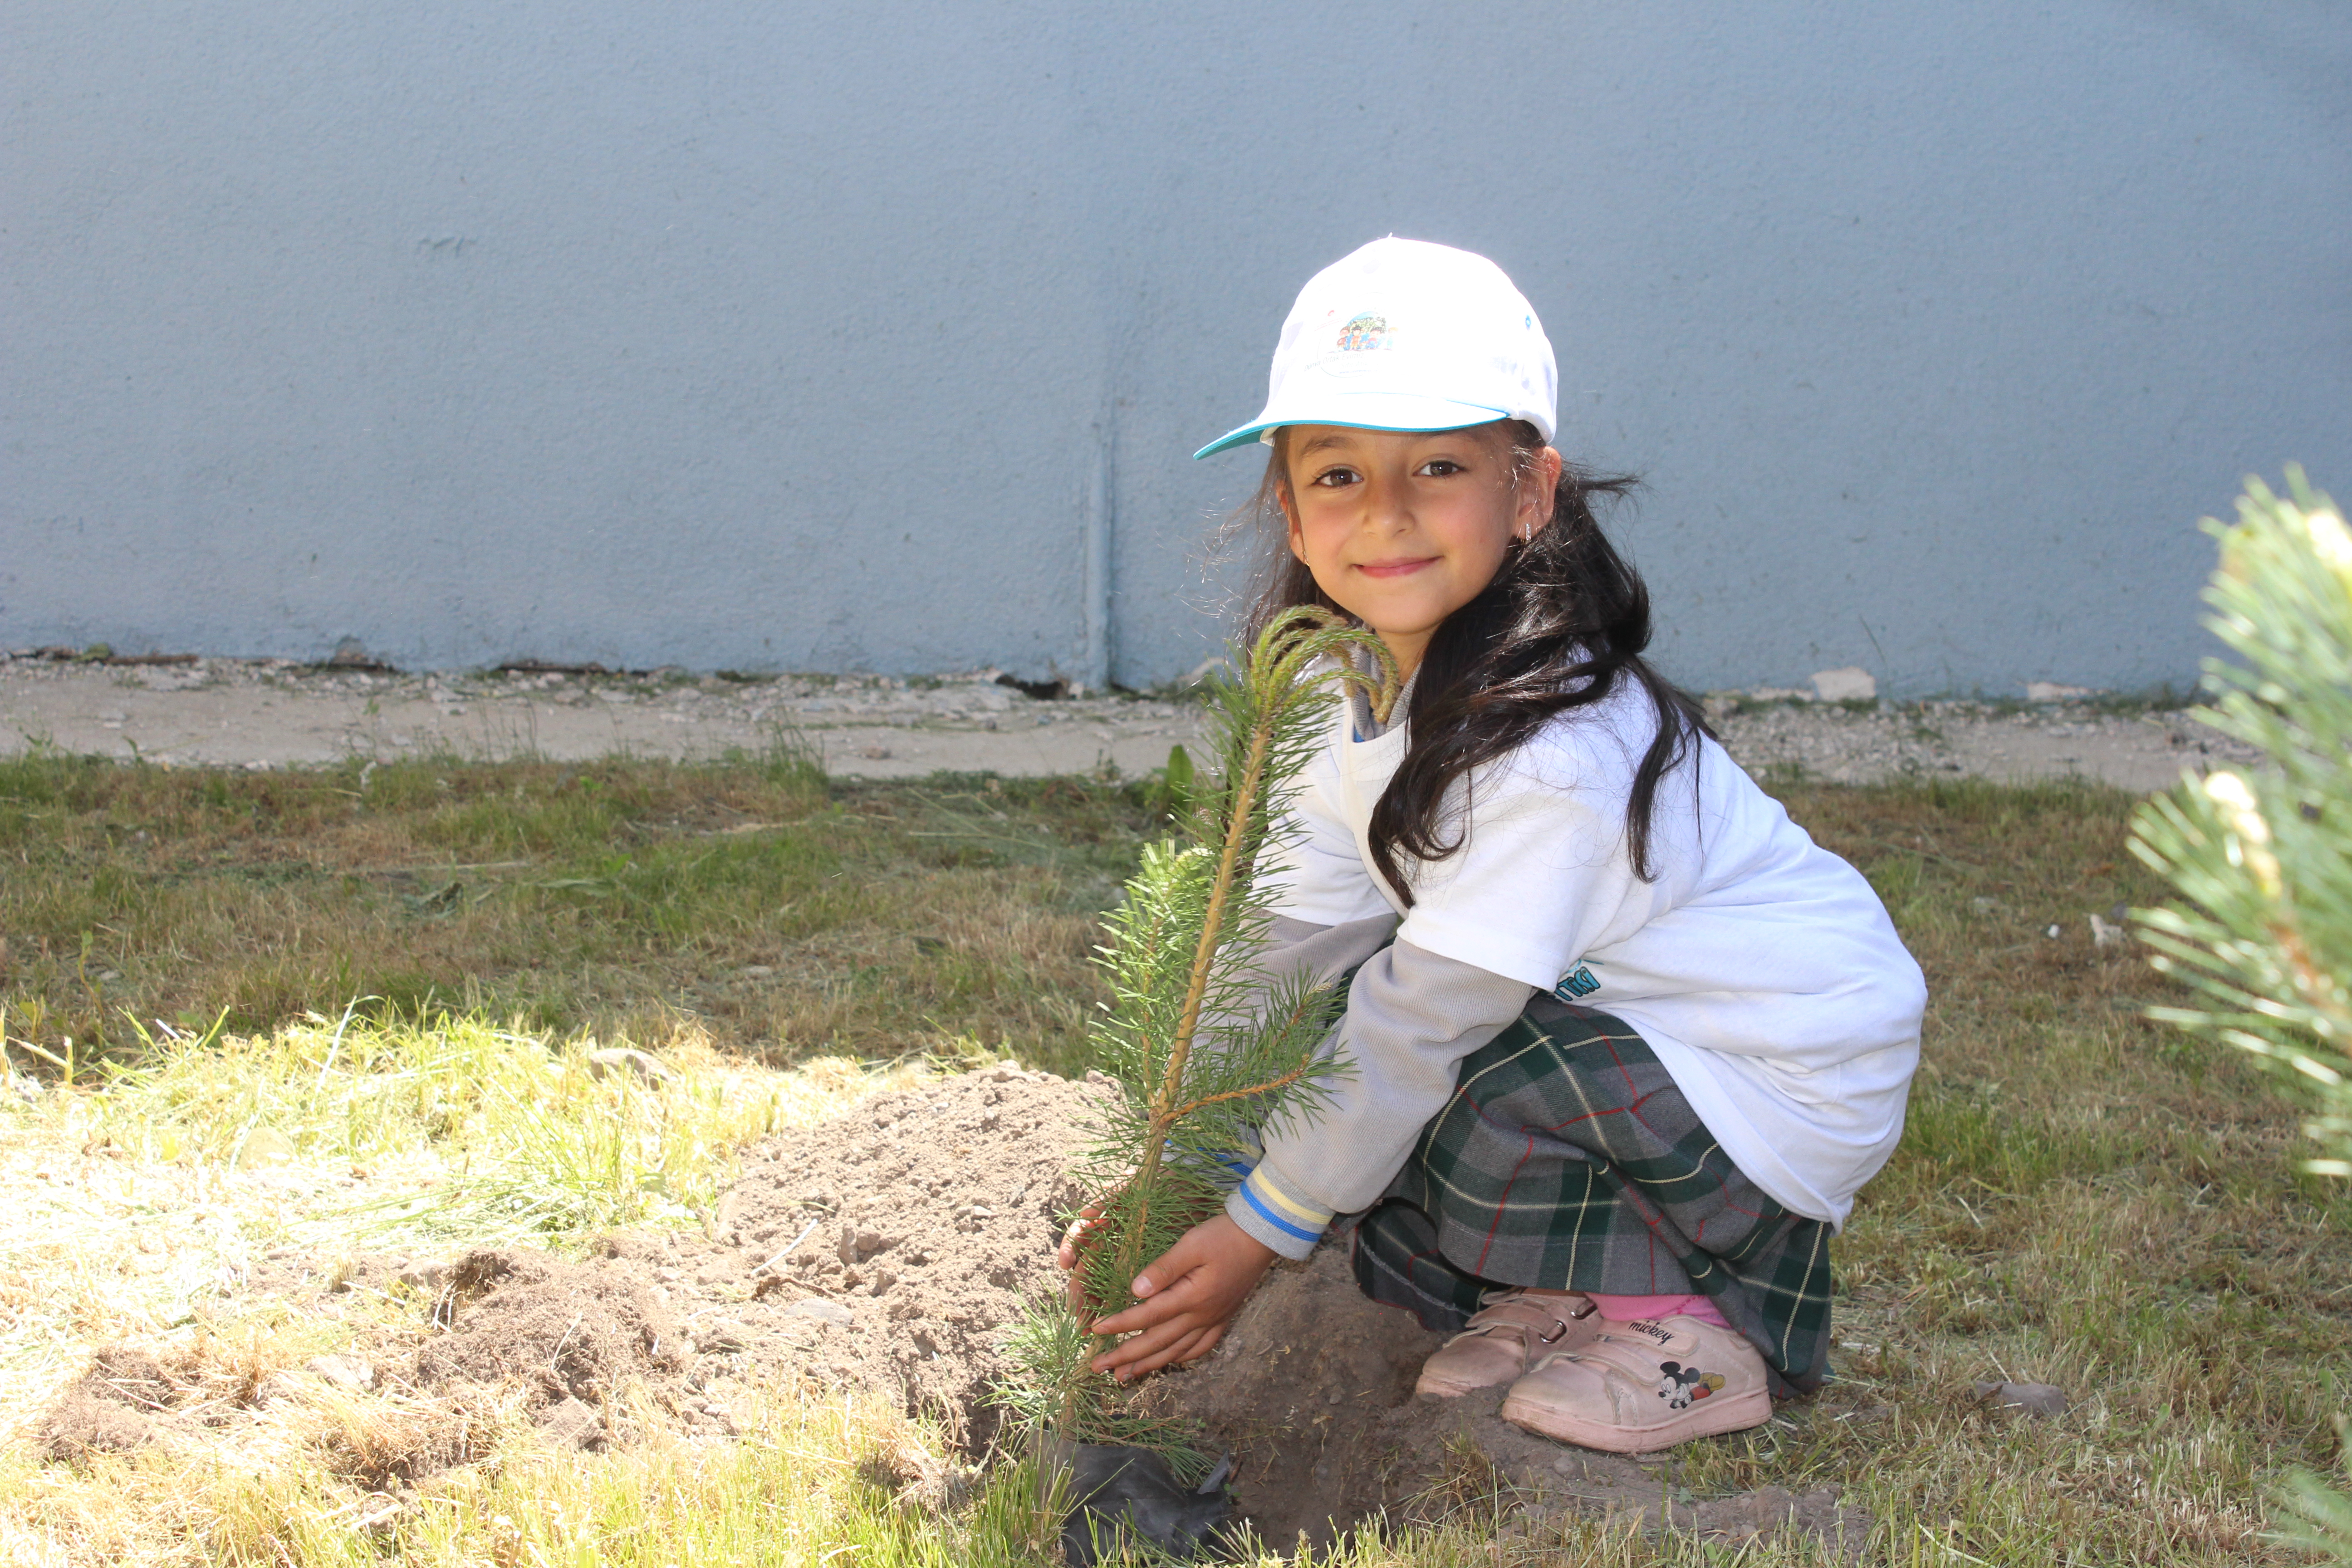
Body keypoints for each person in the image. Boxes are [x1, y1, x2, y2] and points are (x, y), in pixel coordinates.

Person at [1056, 237, 1926, 1454]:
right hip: (1612, 1021)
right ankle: (1558, 1291)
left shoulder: (1549, 749)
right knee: (1367, 1050)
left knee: (1424, 1059)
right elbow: (1293, 942)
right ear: (1290, 513)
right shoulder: (1344, 695)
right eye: (1341, 474)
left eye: (1442, 467)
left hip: (1775, 1061)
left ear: (1530, 493)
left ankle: (1690, 1328)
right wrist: (1186, 1156)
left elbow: (1422, 1017)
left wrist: (1265, 1226)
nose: (1388, 514)